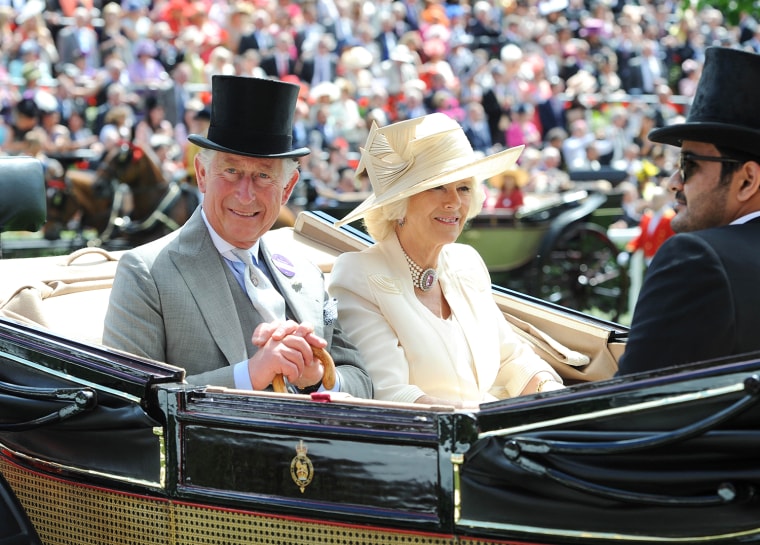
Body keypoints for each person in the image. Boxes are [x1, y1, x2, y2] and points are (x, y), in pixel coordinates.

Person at [103, 76, 372, 398]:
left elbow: (361, 383)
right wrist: (250, 374)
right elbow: (129, 398)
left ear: (287, 188)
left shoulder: (307, 273)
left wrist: (315, 375)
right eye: (231, 172)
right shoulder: (147, 273)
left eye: (263, 176)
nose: (245, 195)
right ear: (202, 175)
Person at [327, 113, 563, 409]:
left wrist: (549, 388)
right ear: (399, 203)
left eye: (464, 187)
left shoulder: (466, 262)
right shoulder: (359, 275)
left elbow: (511, 358)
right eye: (438, 186)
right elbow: (389, 393)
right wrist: (484, 417)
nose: (454, 201)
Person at [616, 47, 760, 376]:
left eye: (688, 164)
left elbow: (628, 407)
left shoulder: (697, 258)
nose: (673, 182)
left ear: (747, 180)